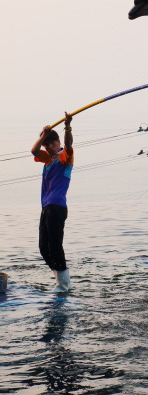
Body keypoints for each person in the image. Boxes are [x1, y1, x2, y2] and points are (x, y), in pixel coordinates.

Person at [31, 113, 74, 292]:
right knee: (43, 248)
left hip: (57, 207)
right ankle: (60, 280)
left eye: (52, 143)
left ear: (58, 143)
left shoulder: (65, 157)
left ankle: (63, 285)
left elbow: (69, 143)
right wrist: (43, 135)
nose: (49, 147)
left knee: (55, 246)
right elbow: (34, 151)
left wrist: (67, 126)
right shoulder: (47, 159)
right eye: (47, 145)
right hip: (46, 207)